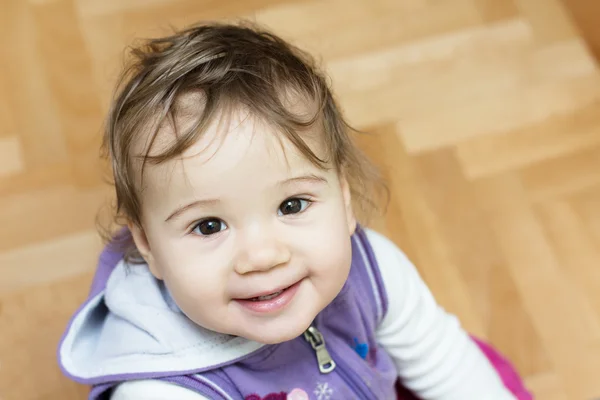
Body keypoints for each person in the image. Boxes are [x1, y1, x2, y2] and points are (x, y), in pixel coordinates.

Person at [57, 21, 532, 400]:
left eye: (291, 204)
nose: (262, 256)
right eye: (208, 225)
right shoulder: (160, 389)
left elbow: (442, 358)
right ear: (148, 247)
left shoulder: (372, 267)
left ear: (344, 199)